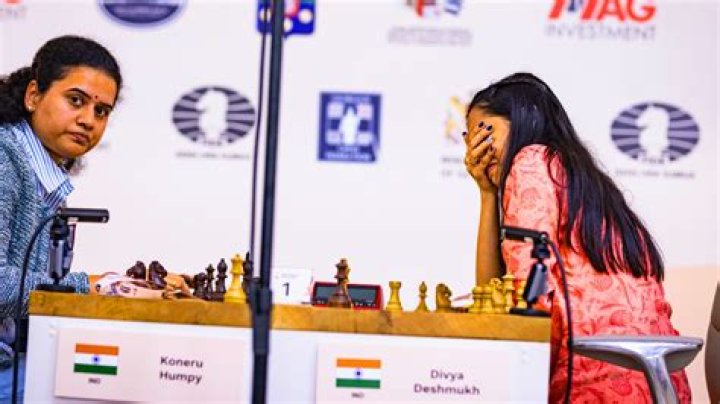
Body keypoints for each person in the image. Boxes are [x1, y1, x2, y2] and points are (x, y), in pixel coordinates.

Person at [463, 72, 691, 402]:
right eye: (469, 137)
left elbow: (529, 303)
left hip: (593, 385)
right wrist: (487, 194)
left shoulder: (530, 162)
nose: (476, 150)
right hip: (663, 388)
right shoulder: (583, 181)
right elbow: (496, 293)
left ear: (524, 119)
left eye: (485, 132)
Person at [0, 35, 123, 400]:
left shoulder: (43, 173)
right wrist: (91, 286)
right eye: (76, 101)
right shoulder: (5, 158)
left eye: (101, 112)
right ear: (33, 96)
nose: (88, 121)